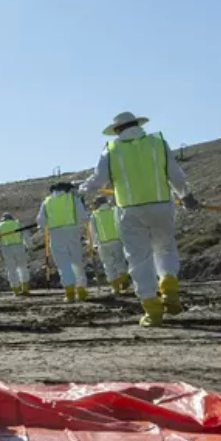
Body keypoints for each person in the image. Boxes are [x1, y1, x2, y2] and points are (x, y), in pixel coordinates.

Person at [78, 112, 200, 326]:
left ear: (117, 130)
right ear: (138, 125)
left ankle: (152, 309)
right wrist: (185, 196)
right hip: (162, 205)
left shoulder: (111, 150)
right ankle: (169, 286)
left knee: (139, 259)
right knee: (165, 249)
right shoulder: (158, 143)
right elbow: (176, 176)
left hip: (130, 211)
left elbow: (98, 181)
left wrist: (81, 188)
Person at [36, 182, 91, 301]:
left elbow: (40, 221)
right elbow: (82, 215)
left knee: (63, 263)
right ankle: (81, 290)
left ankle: (69, 292)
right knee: (76, 261)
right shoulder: (73, 198)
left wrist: (48, 222)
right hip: (72, 231)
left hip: (55, 233)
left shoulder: (47, 202)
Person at [89, 196, 131, 294]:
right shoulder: (114, 211)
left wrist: (95, 244)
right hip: (117, 241)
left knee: (108, 266)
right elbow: (120, 225)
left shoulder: (94, 215)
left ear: (97, 204)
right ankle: (123, 280)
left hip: (103, 244)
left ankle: (115, 288)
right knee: (120, 262)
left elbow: (93, 231)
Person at [0, 213, 30, 295]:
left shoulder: (0, 226)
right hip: (19, 246)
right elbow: (26, 236)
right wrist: (29, 246)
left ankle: (15, 290)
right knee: (22, 267)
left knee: (11, 269)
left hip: (6, 248)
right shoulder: (17, 223)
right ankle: (25, 288)